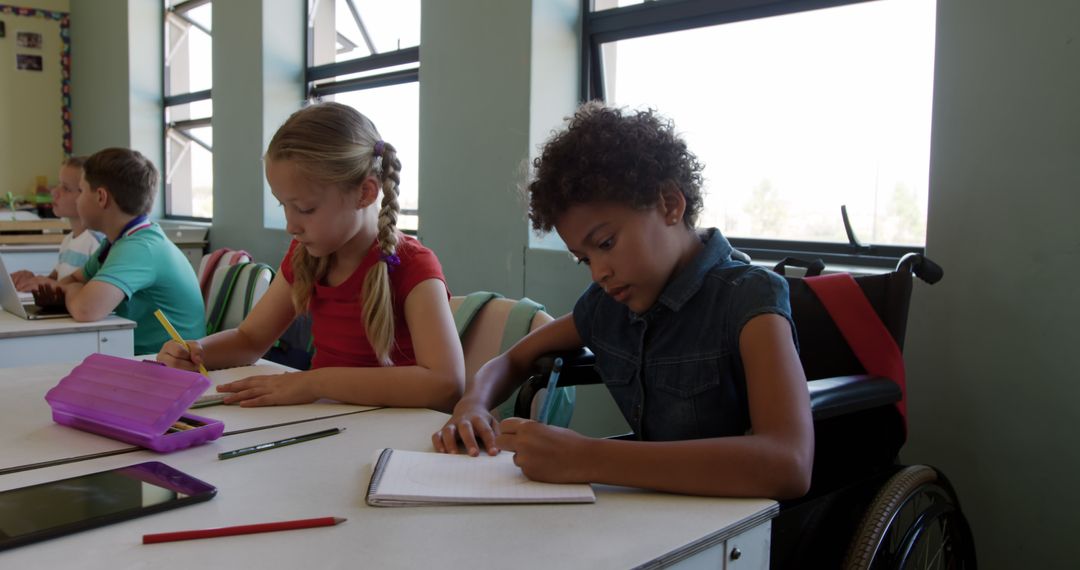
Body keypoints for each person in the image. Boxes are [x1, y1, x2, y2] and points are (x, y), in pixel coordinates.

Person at [432, 103, 814, 499]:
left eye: (606, 244)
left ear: (669, 204)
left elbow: (789, 463)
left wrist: (588, 457)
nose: (599, 273)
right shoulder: (607, 306)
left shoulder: (749, 297)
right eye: (585, 259)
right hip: (651, 510)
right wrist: (472, 406)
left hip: (737, 529)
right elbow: (512, 359)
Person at [156, 102, 464, 412]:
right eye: (283, 207)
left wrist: (314, 382)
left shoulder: (411, 264)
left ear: (365, 194)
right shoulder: (308, 254)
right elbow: (250, 339)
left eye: (305, 209)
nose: (291, 226)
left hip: (395, 435)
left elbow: (445, 384)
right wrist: (198, 351)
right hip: (327, 420)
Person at [34, 148, 205, 355]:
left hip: (171, 365)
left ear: (101, 197)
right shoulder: (116, 242)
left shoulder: (140, 248)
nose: (78, 200)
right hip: (144, 357)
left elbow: (86, 309)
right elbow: (70, 281)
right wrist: (72, 289)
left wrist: (72, 292)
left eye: (81, 191)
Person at [12, 156, 103, 292]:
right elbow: (55, 283)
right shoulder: (68, 240)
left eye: (66, 188)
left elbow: (95, 293)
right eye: (58, 185)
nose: (54, 192)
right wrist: (31, 279)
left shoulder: (96, 242)